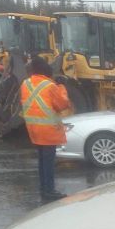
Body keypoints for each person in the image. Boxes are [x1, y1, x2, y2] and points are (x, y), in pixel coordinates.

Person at [20, 56, 71, 201]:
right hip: (48, 129)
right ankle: (49, 191)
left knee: (42, 161)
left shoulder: (25, 83)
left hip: (33, 128)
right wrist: (61, 87)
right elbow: (62, 104)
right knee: (48, 162)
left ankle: (44, 189)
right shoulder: (50, 86)